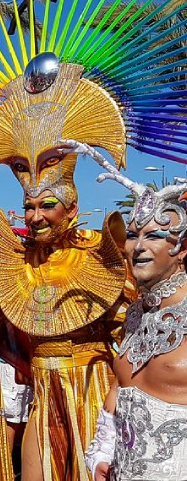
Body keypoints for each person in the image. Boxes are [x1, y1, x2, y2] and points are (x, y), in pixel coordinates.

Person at [0, 0, 187, 476]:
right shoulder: (18, 265)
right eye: (28, 207)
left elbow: (140, 319)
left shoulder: (105, 253)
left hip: (98, 393)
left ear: (70, 210)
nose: (33, 217)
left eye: (45, 206)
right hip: (43, 394)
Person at [76, 146, 187, 480]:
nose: (138, 247)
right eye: (134, 235)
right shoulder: (136, 314)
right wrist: (101, 454)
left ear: (182, 249)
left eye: (154, 236)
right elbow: (119, 389)